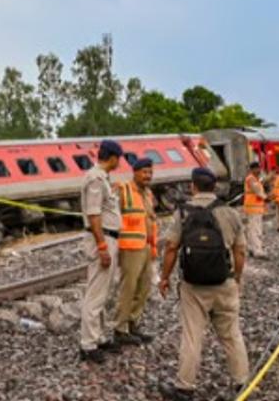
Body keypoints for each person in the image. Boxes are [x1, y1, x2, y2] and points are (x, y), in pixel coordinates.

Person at [158, 167, 249, 400]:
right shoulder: (230, 213)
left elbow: (170, 248)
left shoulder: (183, 213)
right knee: (231, 334)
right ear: (214, 187)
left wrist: (165, 277)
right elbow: (240, 251)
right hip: (224, 282)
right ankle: (242, 382)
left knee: (192, 336)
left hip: (193, 286)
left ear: (193, 186)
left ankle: (185, 387)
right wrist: (236, 277)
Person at [78, 139, 124, 362]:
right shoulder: (96, 178)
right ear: (113, 157)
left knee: (103, 291)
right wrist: (102, 246)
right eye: (119, 158)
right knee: (96, 293)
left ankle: (99, 338)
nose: (120, 162)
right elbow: (94, 214)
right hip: (103, 238)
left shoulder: (103, 178)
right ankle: (88, 345)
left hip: (108, 236)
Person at [113, 157, 158, 346]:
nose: (148, 176)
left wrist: (153, 245)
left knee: (144, 287)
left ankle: (133, 323)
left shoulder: (148, 193)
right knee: (128, 288)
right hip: (130, 247)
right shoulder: (123, 190)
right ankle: (120, 328)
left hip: (146, 247)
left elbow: (150, 219)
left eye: (150, 172)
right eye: (144, 172)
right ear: (135, 172)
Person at [241, 161, 267, 258]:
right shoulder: (251, 179)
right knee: (255, 229)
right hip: (253, 208)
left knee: (251, 228)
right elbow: (257, 191)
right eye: (257, 168)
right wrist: (266, 197)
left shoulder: (255, 179)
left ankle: (251, 248)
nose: (259, 170)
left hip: (254, 208)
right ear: (252, 169)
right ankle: (257, 250)